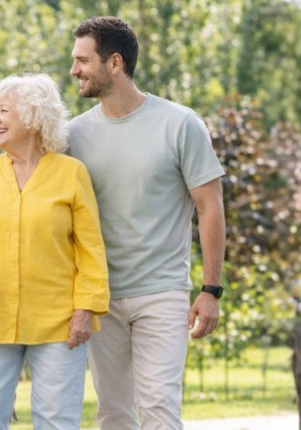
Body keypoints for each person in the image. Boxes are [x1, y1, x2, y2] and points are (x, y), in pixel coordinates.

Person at [66, 16, 226, 430]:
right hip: (100, 295)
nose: (74, 71)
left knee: (158, 406)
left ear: (114, 63)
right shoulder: (71, 136)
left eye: (83, 60)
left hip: (162, 291)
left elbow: (210, 207)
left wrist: (211, 290)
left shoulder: (180, 123)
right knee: (114, 413)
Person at [0, 74, 110, 430]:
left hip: (58, 319)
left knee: (55, 419)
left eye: (4, 110)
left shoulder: (71, 173)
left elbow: (90, 250)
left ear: (34, 117)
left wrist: (85, 309)